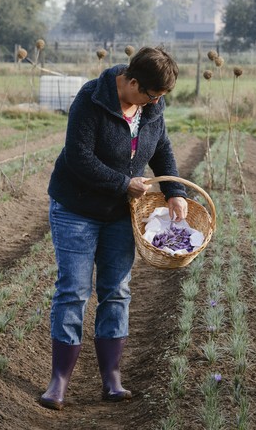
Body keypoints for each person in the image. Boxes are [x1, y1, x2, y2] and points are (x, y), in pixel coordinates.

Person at [39, 46, 188, 411]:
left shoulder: (152, 106)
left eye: (160, 98)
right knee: (73, 291)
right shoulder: (91, 98)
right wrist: (124, 183)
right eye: (151, 95)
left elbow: (162, 149)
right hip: (76, 207)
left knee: (116, 291)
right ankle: (59, 381)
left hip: (121, 213)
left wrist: (175, 191)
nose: (155, 102)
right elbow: (78, 157)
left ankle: (111, 379)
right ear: (132, 81)